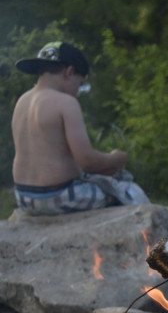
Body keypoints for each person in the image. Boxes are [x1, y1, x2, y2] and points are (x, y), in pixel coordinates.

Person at [12, 41, 132, 216]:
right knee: (125, 191)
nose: (77, 91)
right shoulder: (66, 102)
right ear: (69, 72)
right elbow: (87, 161)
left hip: (23, 196)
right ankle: (157, 242)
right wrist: (115, 158)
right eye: (80, 83)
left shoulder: (22, 101)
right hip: (60, 196)